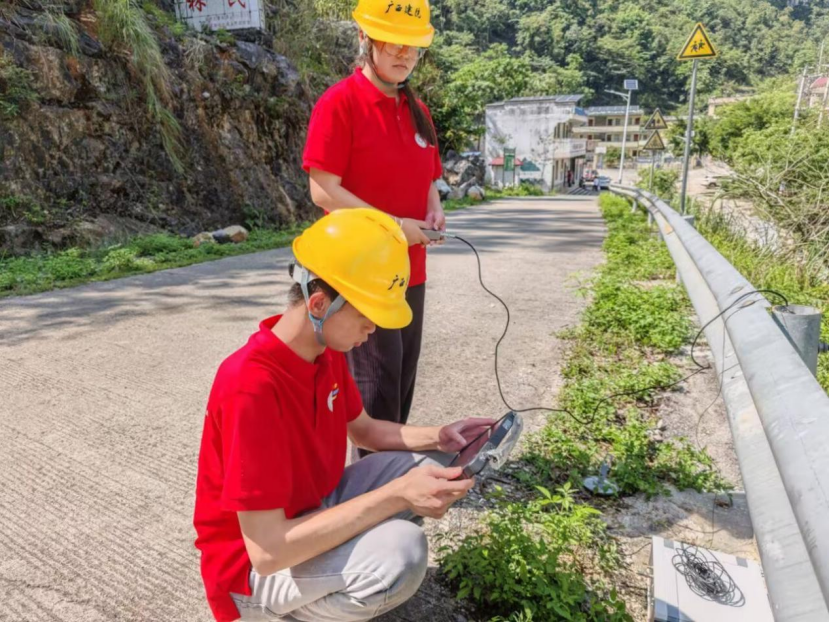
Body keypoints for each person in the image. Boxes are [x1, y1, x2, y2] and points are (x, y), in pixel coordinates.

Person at [194, 209, 496, 623]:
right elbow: (267, 552)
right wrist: (396, 495)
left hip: (312, 509)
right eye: (366, 316)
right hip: (252, 571)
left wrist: (442, 436)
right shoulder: (250, 386)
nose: (373, 330)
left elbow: (365, 430)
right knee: (403, 553)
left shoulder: (325, 351)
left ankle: (336, 571)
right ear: (319, 304)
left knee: (439, 462)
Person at [302, 0, 444, 455]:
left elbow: (429, 177)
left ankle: (391, 472)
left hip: (411, 271)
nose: (404, 54)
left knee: (401, 382)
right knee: (375, 390)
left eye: (413, 46)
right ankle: (377, 480)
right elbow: (323, 190)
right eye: (393, 42)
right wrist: (395, 227)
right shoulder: (339, 103)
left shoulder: (418, 109)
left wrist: (434, 208)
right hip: (361, 276)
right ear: (365, 38)